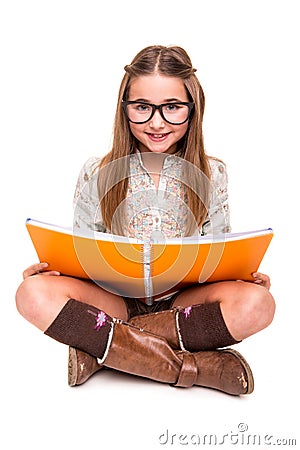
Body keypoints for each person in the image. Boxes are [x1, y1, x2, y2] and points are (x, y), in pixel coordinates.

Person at [15, 45, 275, 395]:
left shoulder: (212, 173)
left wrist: (244, 277)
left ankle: (103, 350)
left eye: (172, 107)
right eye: (142, 108)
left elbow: (219, 250)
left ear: (192, 110)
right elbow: (82, 249)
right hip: (114, 300)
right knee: (31, 294)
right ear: (125, 111)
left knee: (258, 304)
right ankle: (195, 367)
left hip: (183, 302)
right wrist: (52, 271)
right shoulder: (99, 171)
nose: (156, 122)